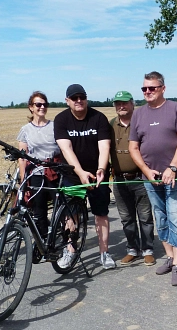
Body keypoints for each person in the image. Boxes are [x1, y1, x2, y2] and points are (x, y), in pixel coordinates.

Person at [129, 71, 177, 286]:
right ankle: (169, 256)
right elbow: (133, 147)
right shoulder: (138, 114)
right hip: (151, 177)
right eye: (144, 88)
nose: (147, 92)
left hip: (174, 176)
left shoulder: (176, 109)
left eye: (151, 88)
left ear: (163, 88)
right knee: (160, 217)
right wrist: (146, 171)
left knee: (175, 217)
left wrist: (172, 168)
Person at [54, 84, 114, 270]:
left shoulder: (99, 118)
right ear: (67, 101)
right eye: (74, 98)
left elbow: (104, 147)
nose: (79, 101)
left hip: (97, 175)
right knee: (71, 215)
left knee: (101, 214)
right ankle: (70, 250)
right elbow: (66, 148)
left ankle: (104, 253)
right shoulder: (61, 119)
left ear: (86, 98)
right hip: (72, 175)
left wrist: (101, 169)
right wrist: (79, 172)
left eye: (82, 97)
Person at [109, 90, 156, 267]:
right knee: (126, 217)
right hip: (119, 180)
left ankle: (148, 250)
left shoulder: (141, 122)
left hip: (140, 178)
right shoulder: (111, 125)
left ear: (132, 104)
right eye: (117, 103)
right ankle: (132, 249)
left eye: (124, 103)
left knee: (145, 216)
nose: (121, 106)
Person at [17, 91, 61, 247]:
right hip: (36, 174)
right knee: (39, 210)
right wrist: (24, 180)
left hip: (55, 173)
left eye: (44, 104)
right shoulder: (25, 130)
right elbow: (22, 157)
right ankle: (43, 242)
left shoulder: (55, 127)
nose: (42, 107)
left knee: (59, 208)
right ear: (31, 107)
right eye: (38, 104)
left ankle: (60, 236)